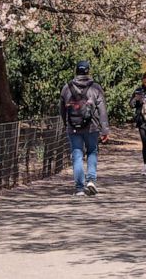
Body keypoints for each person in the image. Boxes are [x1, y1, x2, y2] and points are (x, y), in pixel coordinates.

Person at [60, 60, 110, 197]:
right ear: (88, 71)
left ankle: (79, 188)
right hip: (92, 127)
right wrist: (105, 129)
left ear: (76, 71)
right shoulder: (96, 88)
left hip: (73, 127)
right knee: (92, 151)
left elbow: (62, 110)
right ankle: (91, 180)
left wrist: (66, 125)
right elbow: (102, 110)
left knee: (77, 154)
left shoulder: (66, 88)